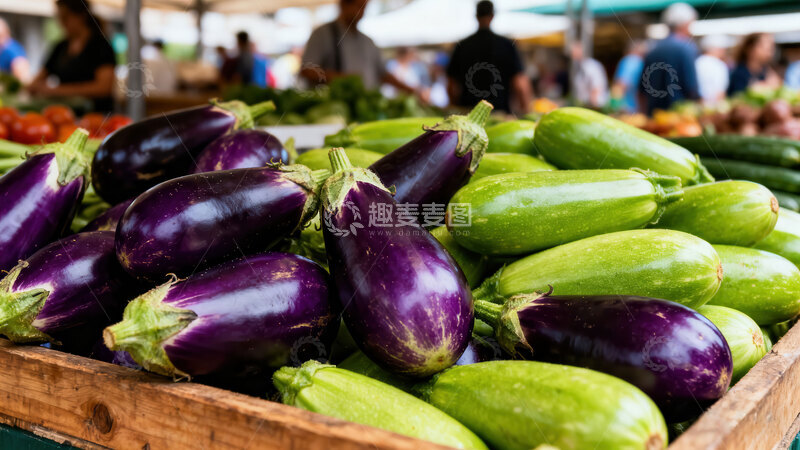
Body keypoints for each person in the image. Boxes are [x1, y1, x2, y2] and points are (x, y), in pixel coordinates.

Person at [301, 0, 417, 95]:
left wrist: (411, 90)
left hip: (366, 107)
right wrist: (341, 79)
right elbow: (307, 70)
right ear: (343, 5)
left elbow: (384, 75)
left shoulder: (367, 41)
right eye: (357, 7)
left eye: (363, 8)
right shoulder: (323, 34)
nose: (361, 13)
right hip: (334, 109)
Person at [27, 0, 116, 112]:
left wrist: (57, 91)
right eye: (59, 18)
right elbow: (38, 78)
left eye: (65, 17)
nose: (61, 23)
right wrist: (33, 87)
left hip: (96, 115)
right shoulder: (60, 47)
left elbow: (104, 88)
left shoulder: (101, 46)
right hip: (66, 115)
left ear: (81, 16)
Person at [447, 0, 530, 113]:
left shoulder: (462, 46)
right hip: (499, 113)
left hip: (467, 113)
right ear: (492, 16)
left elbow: (451, 85)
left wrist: (454, 107)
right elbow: (519, 83)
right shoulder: (506, 45)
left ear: (476, 16)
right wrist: (526, 110)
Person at [639, 2, 699, 115]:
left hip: (654, 115)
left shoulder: (652, 49)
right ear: (685, 24)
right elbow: (691, 87)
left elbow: (642, 90)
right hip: (679, 115)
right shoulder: (687, 48)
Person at [570, 41, 608, 109]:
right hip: (584, 105)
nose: (572, 53)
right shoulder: (579, 66)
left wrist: (593, 106)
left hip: (593, 106)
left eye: (574, 51)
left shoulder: (591, 66)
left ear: (581, 51)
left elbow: (597, 86)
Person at [611, 41, 646, 112]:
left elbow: (620, 84)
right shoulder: (633, 61)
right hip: (632, 108)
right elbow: (621, 84)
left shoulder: (628, 61)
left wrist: (615, 105)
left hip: (628, 108)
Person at [696, 35, 731, 106]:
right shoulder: (719, 65)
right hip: (713, 107)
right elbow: (720, 92)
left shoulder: (697, 62)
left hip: (698, 104)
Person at [0, 18, 30, 82]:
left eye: (1, 36)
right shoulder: (2, 49)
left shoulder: (12, 50)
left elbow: (22, 76)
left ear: (7, 33)